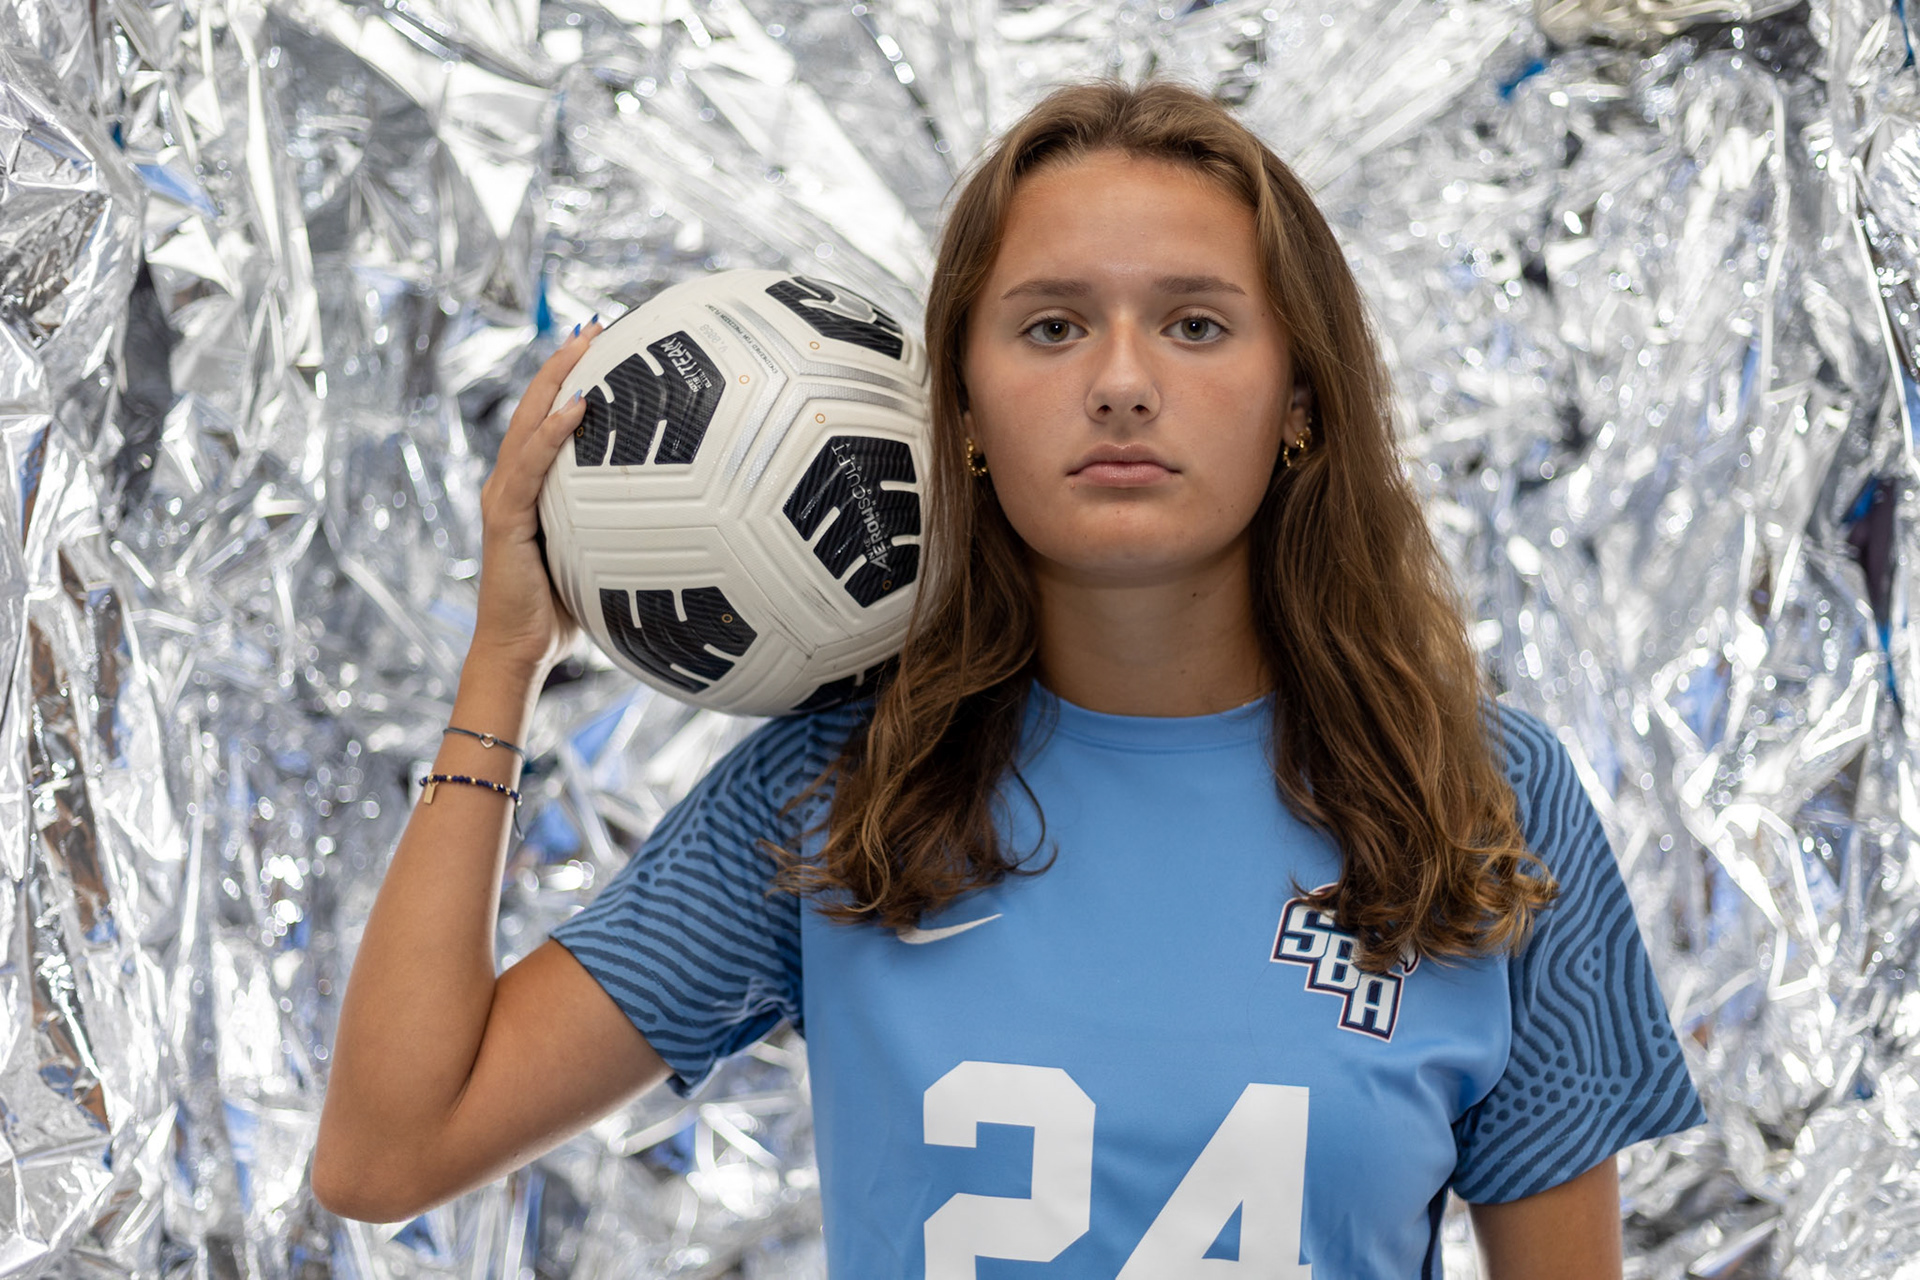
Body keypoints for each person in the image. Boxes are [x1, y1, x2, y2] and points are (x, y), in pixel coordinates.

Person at [313, 79, 1706, 1277]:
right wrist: (503, 661)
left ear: (1300, 402)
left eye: (1197, 325)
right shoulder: (844, 792)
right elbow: (390, 1149)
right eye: (1050, 326)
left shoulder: (1478, 793)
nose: (1120, 382)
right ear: (962, 412)